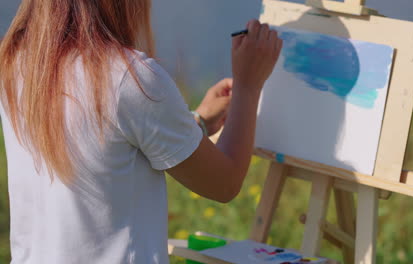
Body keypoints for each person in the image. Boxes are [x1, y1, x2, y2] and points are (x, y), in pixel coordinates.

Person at [0, 0, 282, 263]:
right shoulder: (129, 77)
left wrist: (197, 122)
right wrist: (248, 85)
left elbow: (108, 148)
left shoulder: (18, 64)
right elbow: (224, 183)